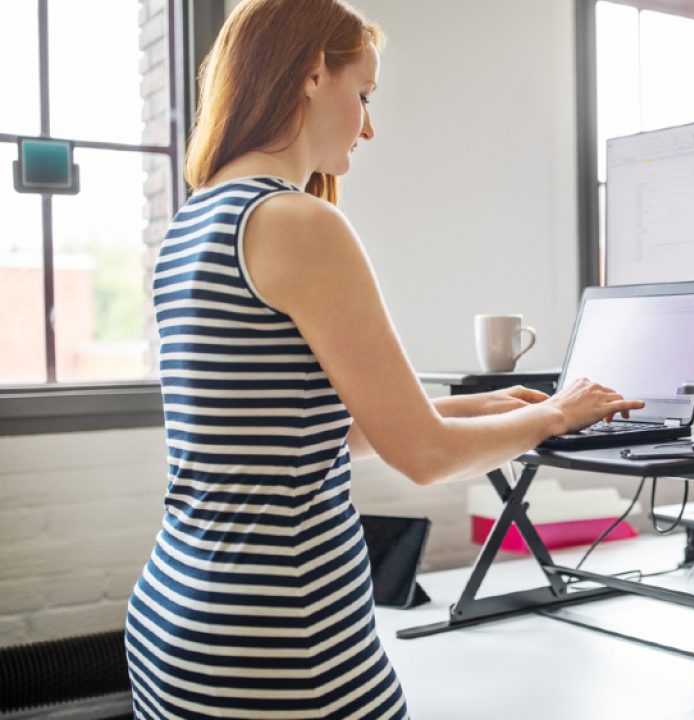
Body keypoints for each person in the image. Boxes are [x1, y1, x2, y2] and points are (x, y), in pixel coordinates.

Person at [123, 1, 642, 716]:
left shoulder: (194, 222)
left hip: (179, 619)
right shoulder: (297, 221)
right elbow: (423, 455)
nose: (369, 125)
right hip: (281, 632)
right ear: (312, 74)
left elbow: (312, 430)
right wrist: (556, 416)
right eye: (363, 94)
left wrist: (484, 406)